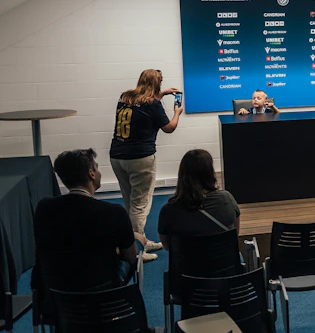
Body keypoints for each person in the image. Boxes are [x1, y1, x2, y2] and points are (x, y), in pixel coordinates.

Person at [33, 149, 137, 291]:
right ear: (91, 173)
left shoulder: (44, 207)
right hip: (101, 294)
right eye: (97, 168)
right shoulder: (113, 212)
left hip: (55, 294)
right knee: (136, 244)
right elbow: (130, 257)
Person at [109, 68, 182, 261]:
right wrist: (177, 113)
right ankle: (136, 250)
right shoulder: (153, 104)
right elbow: (169, 128)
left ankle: (138, 238)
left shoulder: (124, 97)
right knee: (140, 204)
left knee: (129, 200)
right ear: (157, 84)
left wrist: (161, 93)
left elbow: (143, 103)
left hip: (117, 155)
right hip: (140, 158)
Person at [157, 149, 240, 249]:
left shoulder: (168, 211)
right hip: (226, 264)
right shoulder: (227, 199)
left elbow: (167, 247)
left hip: (187, 264)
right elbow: (234, 236)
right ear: (210, 173)